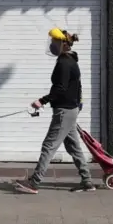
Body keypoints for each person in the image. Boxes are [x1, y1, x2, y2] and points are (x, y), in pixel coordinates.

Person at [15, 28, 95, 194]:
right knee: (73, 147)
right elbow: (76, 87)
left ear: (64, 44)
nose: (51, 45)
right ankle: (87, 181)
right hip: (70, 110)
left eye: (54, 42)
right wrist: (77, 105)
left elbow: (60, 88)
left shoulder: (64, 63)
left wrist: (41, 101)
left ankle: (34, 183)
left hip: (64, 112)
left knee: (48, 146)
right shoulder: (71, 61)